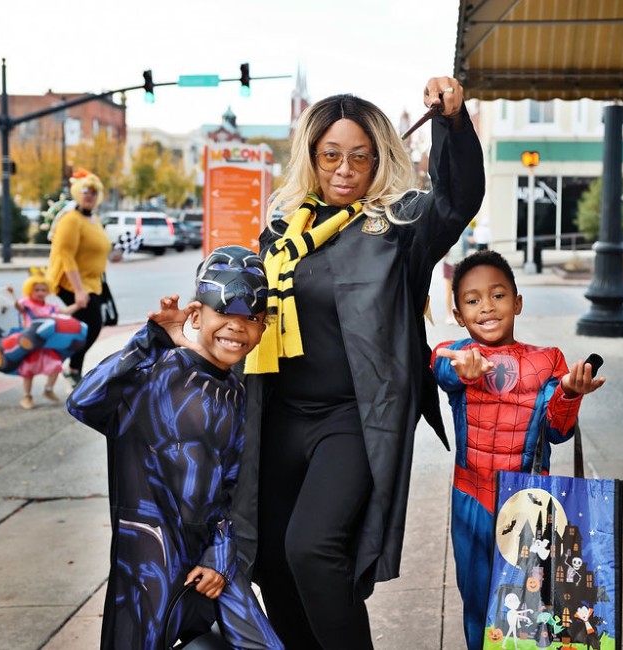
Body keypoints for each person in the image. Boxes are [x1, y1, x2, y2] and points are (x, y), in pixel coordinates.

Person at [233, 77, 485, 649]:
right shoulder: (281, 233)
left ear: (378, 159)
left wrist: (452, 121)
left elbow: (459, 198)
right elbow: (245, 318)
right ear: (312, 158)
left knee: (313, 549)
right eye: (330, 156)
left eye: (359, 157)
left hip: (353, 419)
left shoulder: (399, 228)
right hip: (279, 416)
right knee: (271, 558)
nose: (344, 170)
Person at [67, 245, 283, 650]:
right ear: (196, 315)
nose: (238, 327)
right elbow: (84, 401)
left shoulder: (234, 391)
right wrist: (150, 341)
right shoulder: (156, 373)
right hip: (149, 553)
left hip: (209, 553)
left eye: (251, 318)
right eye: (225, 312)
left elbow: (228, 482)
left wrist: (220, 549)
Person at [430, 250, 606, 648]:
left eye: (498, 295)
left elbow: (558, 431)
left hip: (530, 503)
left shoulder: (547, 361)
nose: (486, 307)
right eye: (472, 300)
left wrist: (569, 393)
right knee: (477, 600)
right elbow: (441, 367)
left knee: (530, 606)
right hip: (471, 498)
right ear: (458, 314)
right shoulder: (455, 354)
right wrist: (462, 369)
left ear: (518, 302)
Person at [46, 169, 114, 388]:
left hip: (92, 282)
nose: (89, 195)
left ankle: (72, 369)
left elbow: (99, 249)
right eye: (85, 191)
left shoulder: (93, 219)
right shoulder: (71, 219)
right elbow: (66, 256)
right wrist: (78, 290)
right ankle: (65, 366)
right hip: (72, 282)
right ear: (77, 192)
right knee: (92, 324)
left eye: (94, 192)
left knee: (88, 326)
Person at [10, 274, 80, 410]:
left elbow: (64, 312)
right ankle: (27, 396)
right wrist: (11, 296)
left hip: (47, 344)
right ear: (30, 290)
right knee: (28, 371)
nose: (40, 293)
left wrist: (78, 305)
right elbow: (18, 307)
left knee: (55, 366)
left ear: (48, 291)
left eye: (43, 290)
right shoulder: (26, 304)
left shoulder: (51, 307)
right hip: (31, 343)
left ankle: (48, 389)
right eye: (37, 290)